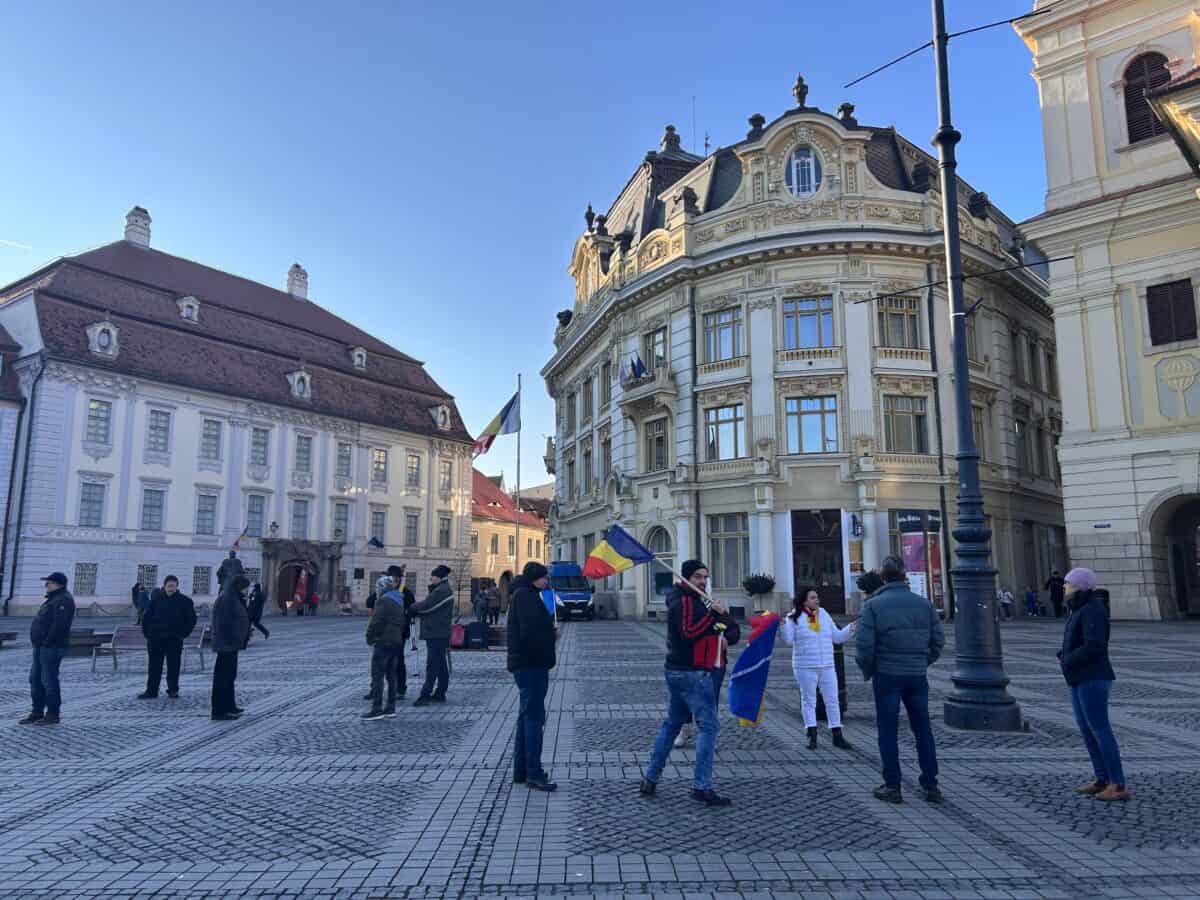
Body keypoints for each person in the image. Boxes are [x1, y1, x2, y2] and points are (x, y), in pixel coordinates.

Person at [640, 559, 738, 807]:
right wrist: (713, 615)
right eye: (697, 577)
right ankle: (701, 786)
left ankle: (650, 778)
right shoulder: (683, 601)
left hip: (680, 671)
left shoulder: (692, 599)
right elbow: (690, 632)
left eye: (705, 577)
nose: (703, 581)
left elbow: (725, 629)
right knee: (709, 727)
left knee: (672, 724)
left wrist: (720, 619)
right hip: (691, 672)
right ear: (686, 579)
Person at [856, 555, 945, 805]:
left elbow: (864, 645)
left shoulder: (873, 605)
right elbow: (938, 640)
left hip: (887, 674)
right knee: (922, 729)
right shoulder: (923, 604)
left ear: (882, 577)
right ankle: (931, 784)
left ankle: (893, 785)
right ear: (905, 576)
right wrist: (923, 660)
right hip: (916, 675)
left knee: (887, 730)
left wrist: (870, 668)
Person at [1059, 567, 1130, 801]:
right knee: (1087, 729)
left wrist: (1068, 659)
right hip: (1080, 676)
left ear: (1080, 587)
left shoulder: (1092, 609)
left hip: (1093, 677)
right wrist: (1065, 655)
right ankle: (1102, 779)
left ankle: (1118, 784)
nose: (1064, 586)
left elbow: (1095, 645)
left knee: (1100, 729)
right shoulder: (1078, 607)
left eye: (1068, 583)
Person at [782, 587, 855, 751]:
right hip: (805, 665)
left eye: (817, 597)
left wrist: (850, 629)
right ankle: (812, 734)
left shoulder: (824, 614)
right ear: (804, 600)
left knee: (832, 700)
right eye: (813, 597)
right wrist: (782, 626)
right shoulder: (793, 617)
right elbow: (787, 640)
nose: (817, 600)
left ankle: (837, 734)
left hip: (827, 665)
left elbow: (837, 637)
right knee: (809, 700)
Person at [507, 562, 558, 791]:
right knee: (534, 719)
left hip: (527, 664)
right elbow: (530, 632)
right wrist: (551, 634)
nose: (546, 581)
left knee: (526, 717)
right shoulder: (526, 597)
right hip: (530, 664)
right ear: (535, 578)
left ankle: (521, 770)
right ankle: (534, 773)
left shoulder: (525, 594)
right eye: (544, 578)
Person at [19, 572, 75, 726]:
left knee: (49, 681)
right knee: (35, 680)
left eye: (49, 583)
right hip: (41, 647)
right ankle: (37, 712)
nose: (46, 585)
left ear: (59, 584)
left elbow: (60, 625)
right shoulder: (53, 599)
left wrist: (47, 642)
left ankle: (52, 714)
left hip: (51, 648)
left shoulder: (64, 599)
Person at [138, 575, 197, 699]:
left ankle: (173, 690)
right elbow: (146, 618)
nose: (171, 588)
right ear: (164, 586)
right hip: (155, 639)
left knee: (174, 666)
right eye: (169, 586)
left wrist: (183, 634)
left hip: (174, 639)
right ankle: (152, 690)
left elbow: (191, 620)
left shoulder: (185, 601)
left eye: (173, 586)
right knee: (154, 666)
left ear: (177, 586)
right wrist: (148, 634)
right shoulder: (155, 600)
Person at [363, 576, 408, 720]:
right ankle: (390, 708)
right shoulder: (399, 599)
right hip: (396, 641)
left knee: (378, 676)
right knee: (391, 676)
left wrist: (369, 636)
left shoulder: (383, 601)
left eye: (378, 587)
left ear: (382, 588)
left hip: (383, 640)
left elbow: (376, 621)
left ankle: (377, 708)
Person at [411, 565, 455, 706]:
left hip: (437, 632)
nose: (430, 578)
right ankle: (440, 692)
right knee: (440, 664)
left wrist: (411, 608)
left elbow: (428, 605)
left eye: (433, 576)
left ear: (440, 577)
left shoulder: (442, 590)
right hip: (438, 632)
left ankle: (425, 694)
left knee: (433, 664)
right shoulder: (441, 589)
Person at [211, 574, 251, 721]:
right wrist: (232, 639)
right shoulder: (227, 599)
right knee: (222, 679)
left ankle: (229, 706)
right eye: (246, 588)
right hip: (226, 644)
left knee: (229, 678)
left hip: (232, 645)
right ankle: (220, 710)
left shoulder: (234, 598)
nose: (247, 591)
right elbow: (223, 623)